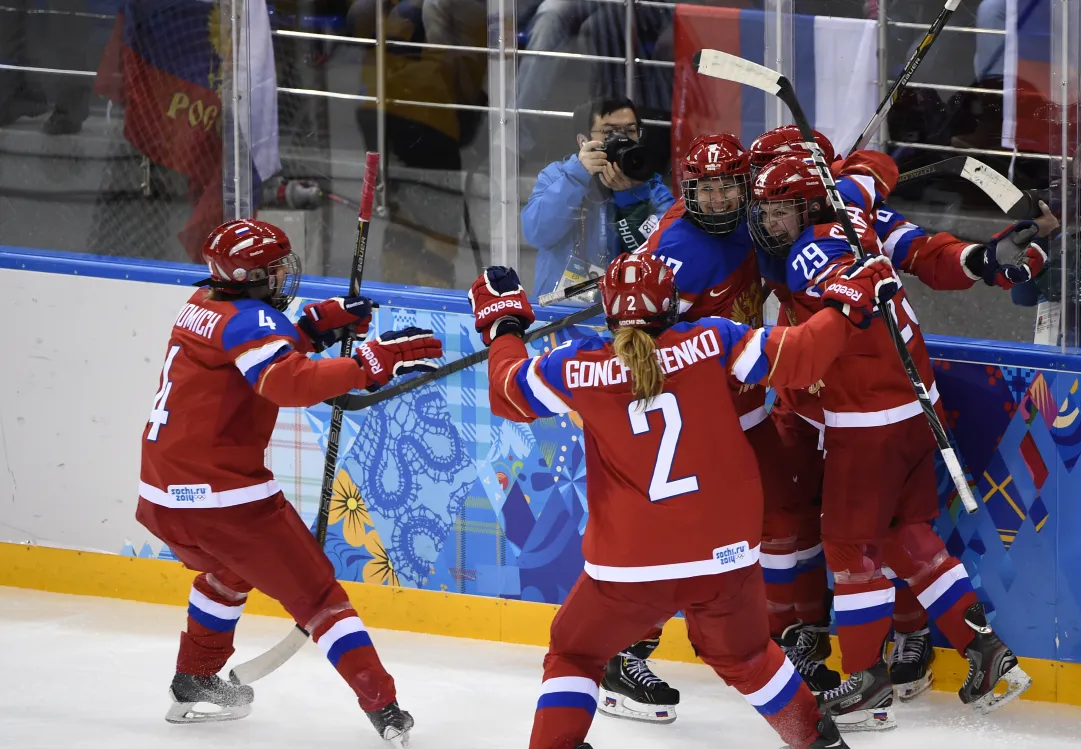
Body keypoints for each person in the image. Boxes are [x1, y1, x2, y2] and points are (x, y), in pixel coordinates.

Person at [468, 252, 906, 749]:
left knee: (575, 652)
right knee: (749, 658)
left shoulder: (575, 364)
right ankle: (817, 741)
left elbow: (507, 392)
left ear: (608, 309)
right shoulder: (712, 339)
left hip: (629, 567)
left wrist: (504, 325)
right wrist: (845, 308)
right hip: (725, 558)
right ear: (672, 303)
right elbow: (801, 356)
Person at [749, 124, 1056, 705]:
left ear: (810, 193)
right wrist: (983, 257)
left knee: (846, 548)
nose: (766, 220)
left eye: (778, 208)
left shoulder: (814, 243)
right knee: (904, 533)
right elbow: (914, 243)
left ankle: (867, 681)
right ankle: (986, 654)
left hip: (865, 419)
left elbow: (851, 271)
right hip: (914, 405)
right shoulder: (856, 214)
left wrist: (973, 257)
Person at [134, 219, 444, 743]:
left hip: (164, 497)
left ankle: (196, 679)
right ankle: (385, 709)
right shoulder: (251, 320)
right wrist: (370, 361)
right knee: (321, 598)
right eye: (274, 268)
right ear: (250, 274)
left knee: (230, 572)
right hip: (224, 502)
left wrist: (309, 333)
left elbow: (249, 353)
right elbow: (287, 382)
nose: (282, 276)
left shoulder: (203, 306)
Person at [593, 132, 838, 726]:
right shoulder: (678, 251)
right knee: (689, 538)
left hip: (746, 396)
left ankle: (787, 641)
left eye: (732, 185)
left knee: (782, 513)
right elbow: (641, 342)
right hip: (705, 416)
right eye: (710, 188)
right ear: (690, 190)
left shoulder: (752, 222)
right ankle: (625, 653)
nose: (723, 199)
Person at [522, 96, 675, 297]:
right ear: (583, 141)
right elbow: (536, 233)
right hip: (560, 314)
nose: (623, 140)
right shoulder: (557, 176)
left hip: (627, 317)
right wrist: (577, 177)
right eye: (609, 132)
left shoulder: (652, 189)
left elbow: (665, 256)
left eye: (630, 131)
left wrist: (631, 198)